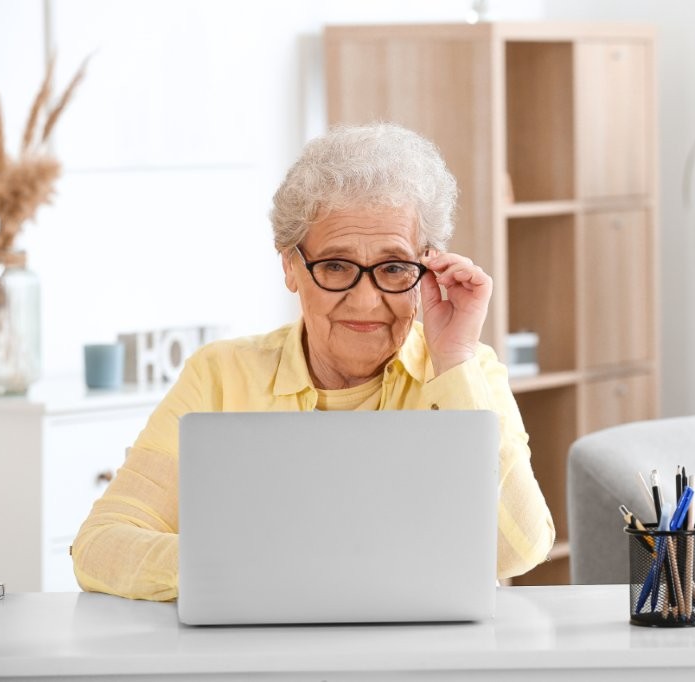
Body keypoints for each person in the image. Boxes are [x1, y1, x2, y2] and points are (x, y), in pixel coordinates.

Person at [72, 122, 555, 601]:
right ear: (290, 267)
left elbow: (518, 548)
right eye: (336, 266)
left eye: (392, 268)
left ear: (426, 268)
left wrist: (454, 360)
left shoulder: (467, 372)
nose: (366, 302)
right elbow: (100, 545)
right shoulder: (219, 376)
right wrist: (244, 567)